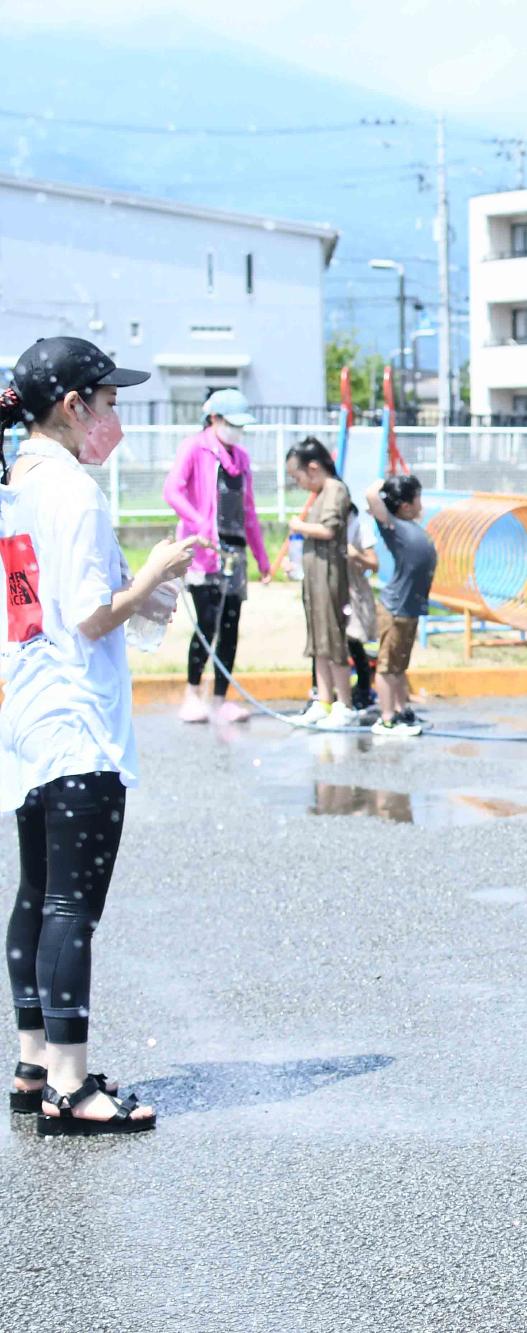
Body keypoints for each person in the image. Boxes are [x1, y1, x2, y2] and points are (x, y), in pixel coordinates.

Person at [0, 336, 203, 1135]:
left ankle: (31, 1061)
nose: (116, 414)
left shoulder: (14, 484)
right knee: (69, 908)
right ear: (73, 405)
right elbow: (91, 613)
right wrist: (154, 571)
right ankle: (73, 1087)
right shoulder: (75, 494)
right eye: (110, 400)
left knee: (35, 896)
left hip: (30, 714)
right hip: (79, 723)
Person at [163, 387, 271, 724]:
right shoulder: (195, 448)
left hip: (234, 554)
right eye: (231, 423)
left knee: (230, 624)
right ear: (214, 419)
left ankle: (222, 698)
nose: (236, 431)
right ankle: (193, 693)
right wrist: (197, 524)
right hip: (203, 555)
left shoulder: (240, 458)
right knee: (207, 623)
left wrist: (262, 557)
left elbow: (248, 509)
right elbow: (172, 490)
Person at [285, 438, 358, 730]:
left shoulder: (335, 490)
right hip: (314, 579)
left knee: (333, 638)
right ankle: (324, 700)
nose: (298, 482)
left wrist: (299, 527)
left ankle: (346, 703)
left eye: (297, 476)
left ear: (313, 468)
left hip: (329, 577)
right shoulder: (321, 492)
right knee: (318, 640)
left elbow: (329, 529)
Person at [364, 474, 436, 737]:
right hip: (394, 609)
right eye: (417, 497)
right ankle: (387, 719)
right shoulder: (391, 525)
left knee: (398, 666)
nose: (420, 503)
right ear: (405, 505)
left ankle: (400, 709)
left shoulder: (410, 524)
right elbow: (372, 495)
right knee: (386, 666)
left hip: (408, 609)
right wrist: (385, 481)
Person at [344, 504, 380, 715]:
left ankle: (363, 691)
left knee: (354, 641)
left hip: (354, 591)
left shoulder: (358, 526)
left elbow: (374, 564)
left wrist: (355, 554)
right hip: (332, 589)